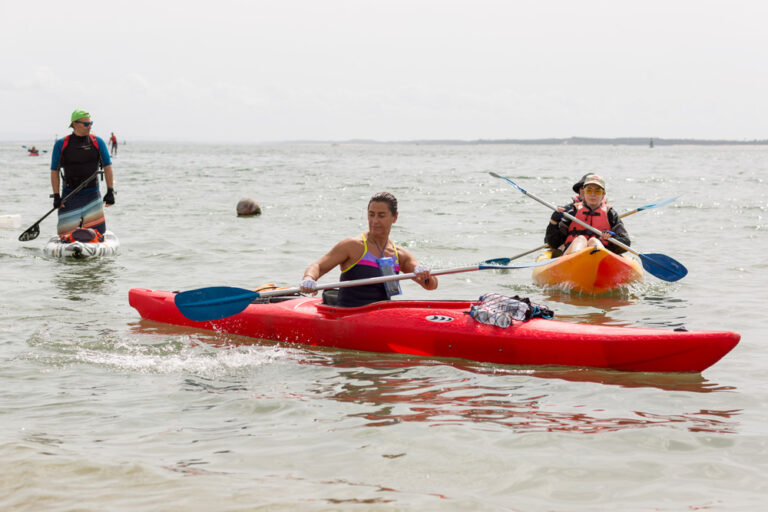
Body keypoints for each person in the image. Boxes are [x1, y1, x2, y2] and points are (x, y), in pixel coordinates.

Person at [299, 192, 438, 307]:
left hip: (380, 317)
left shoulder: (399, 255)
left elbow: (431, 286)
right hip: (348, 316)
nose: (374, 221)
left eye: (381, 215)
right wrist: (309, 278)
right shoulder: (353, 246)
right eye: (371, 214)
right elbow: (317, 266)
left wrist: (425, 274)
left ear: (395, 217)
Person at [50, 109, 116, 237]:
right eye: (86, 124)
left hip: (92, 196)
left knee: (97, 236)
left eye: (91, 123)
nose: (89, 126)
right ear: (75, 124)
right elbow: (54, 171)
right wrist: (56, 196)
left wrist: (110, 191)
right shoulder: (62, 144)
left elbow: (108, 167)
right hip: (69, 196)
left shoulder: (97, 142)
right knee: (65, 238)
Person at [544, 174, 630, 256]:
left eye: (597, 191)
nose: (593, 194)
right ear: (583, 193)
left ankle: (595, 258)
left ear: (603, 194)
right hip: (572, 255)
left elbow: (625, 243)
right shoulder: (572, 211)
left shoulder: (610, 213)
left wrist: (612, 239)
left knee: (594, 241)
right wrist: (553, 223)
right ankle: (578, 259)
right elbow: (554, 243)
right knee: (580, 239)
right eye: (589, 190)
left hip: (600, 256)